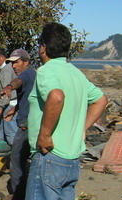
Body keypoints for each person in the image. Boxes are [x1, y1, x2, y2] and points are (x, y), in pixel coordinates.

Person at [26, 22, 107, 200]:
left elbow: (56, 96)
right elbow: (101, 100)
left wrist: (45, 134)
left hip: (49, 156)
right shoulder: (75, 73)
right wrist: (83, 129)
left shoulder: (46, 71)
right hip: (72, 162)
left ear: (43, 47)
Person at [1, 49, 36, 200]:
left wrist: (9, 87)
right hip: (29, 122)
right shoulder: (33, 75)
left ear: (26, 62)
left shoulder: (27, 74)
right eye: (12, 63)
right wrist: (14, 109)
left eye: (17, 62)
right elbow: (29, 98)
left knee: (16, 159)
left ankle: (19, 194)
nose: (14, 66)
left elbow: (17, 82)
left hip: (27, 126)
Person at [0, 48, 18, 145]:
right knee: (1, 133)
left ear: (2, 58)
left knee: (10, 133)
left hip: (9, 105)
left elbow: (6, 92)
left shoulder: (6, 71)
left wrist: (0, 107)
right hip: (11, 104)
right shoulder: (9, 68)